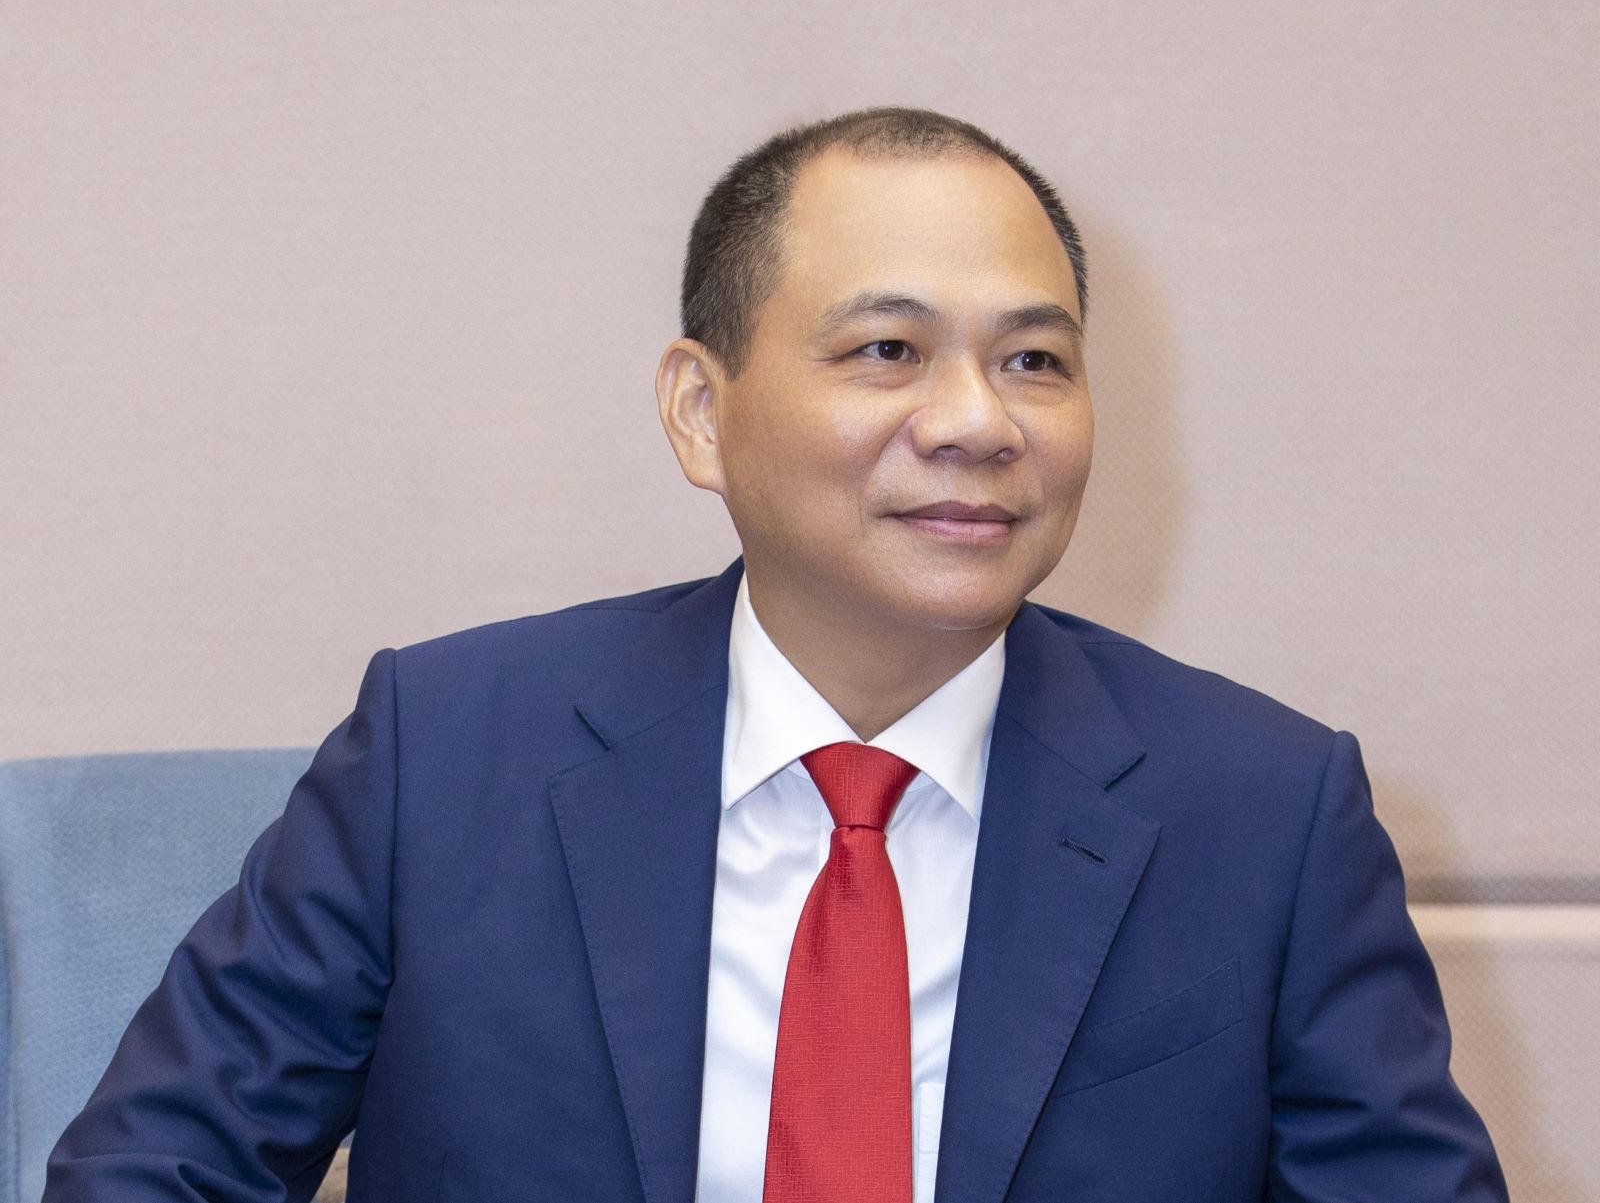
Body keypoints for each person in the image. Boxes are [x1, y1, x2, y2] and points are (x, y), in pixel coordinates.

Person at [45, 105, 1508, 1202]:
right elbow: (156, 1167)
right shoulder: (444, 750)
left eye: (1034, 360)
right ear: (702, 412)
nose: (978, 422)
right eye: (887, 351)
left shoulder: (1266, 813)